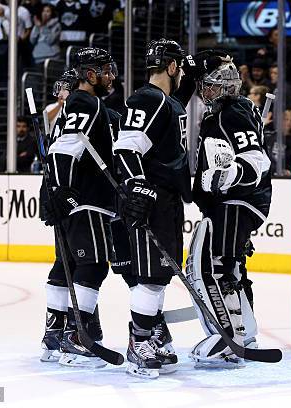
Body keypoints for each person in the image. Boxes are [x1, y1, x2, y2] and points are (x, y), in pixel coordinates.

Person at [110, 39, 197, 378]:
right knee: (150, 277)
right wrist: (137, 186)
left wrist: (195, 72)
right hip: (153, 199)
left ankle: (153, 333)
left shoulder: (166, 101)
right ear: (171, 67)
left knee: (160, 275)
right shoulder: (148, 98)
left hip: (168, 200)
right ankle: (139, 341)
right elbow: (127, 148)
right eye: (179, 67)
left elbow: (174, 107)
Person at [188, 52, 272, 367]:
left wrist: (228, 175)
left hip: (238, 200)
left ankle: (229, 338)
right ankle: (243, 331)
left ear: (224, 85)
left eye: (208, 85)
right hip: (233, 201)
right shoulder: (224, 112)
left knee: (216, 265)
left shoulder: (232, 111)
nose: (204, 92)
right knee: (231, 266)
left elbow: (255, 160)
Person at [43, 47, 118, 368]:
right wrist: (61, 191)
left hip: (73, 199)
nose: (111, 76)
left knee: (67, 266)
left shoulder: (81, 104)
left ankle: (54, 334)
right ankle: (77, 337)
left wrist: (55, 191)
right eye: (105, 70)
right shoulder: (85, 102)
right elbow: (63, 149)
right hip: (87, 201)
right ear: (90, 75)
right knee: (94, 265)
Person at [39, 70, 79, 364]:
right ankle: (60, 330)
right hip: (60, 191)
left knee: (72, 261)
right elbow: (50, 113)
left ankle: (64, 329)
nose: (61, 94)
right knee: (70, 260)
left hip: (64, 188)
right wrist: (65, 100)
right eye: (59, 89)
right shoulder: (59, 112)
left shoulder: (76, 112)